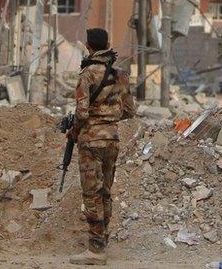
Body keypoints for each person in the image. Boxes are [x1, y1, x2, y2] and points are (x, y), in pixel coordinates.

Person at [68, 28, 135, 266]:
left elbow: (82, 112)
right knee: (105, 192)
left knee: (91, 194)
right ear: (107, 44)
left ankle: (96, 250)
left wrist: (74, 129)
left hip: (91, 141)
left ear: (88, 46)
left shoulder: (87, 75)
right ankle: (102, 241)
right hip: (112, 140)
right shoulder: (121, 75)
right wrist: (109, 119)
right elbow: (129, 111)